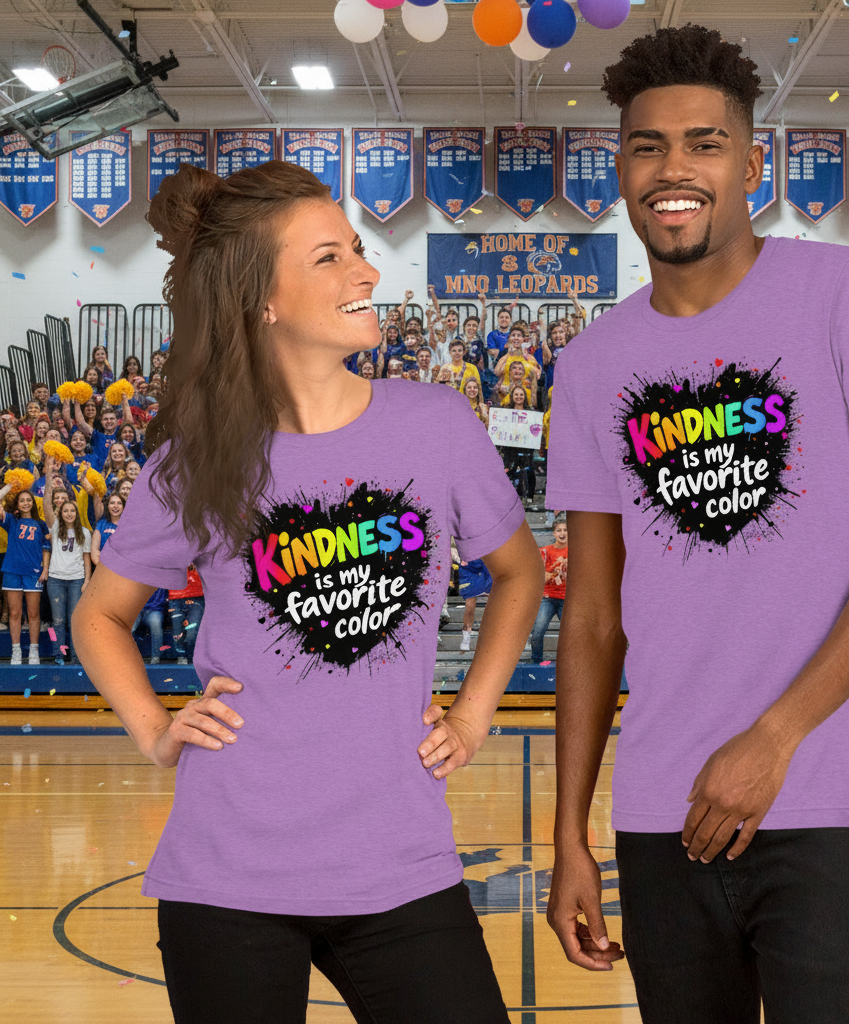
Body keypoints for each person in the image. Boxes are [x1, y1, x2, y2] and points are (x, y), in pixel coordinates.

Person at [543, 25, 849, 1024]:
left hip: (816, 797)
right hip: (660, 812)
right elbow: (594, 618)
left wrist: (773, 737)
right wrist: (566, 836)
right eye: (647, 146)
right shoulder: (592, 362)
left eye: (703, 142)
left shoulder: (846, 291)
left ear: (752, 165)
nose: (672, 168)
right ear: (620, 168)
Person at [72, 159, 542, 1024]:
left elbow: (519, 572)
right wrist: (153, 726)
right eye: (329, 258)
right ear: (263, 301)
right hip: (228, 873)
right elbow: (98, 613)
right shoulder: (198, 459)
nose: (366, 272)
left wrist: (474, 713)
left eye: (358, 251)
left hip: (399, 863)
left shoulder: (436, 425)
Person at [0, 483, 50, 665]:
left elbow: (46, 549)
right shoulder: (11, 521)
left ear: (33, 503)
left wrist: (45, 569)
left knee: (33, 613)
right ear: (17, 504)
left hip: (33, 573)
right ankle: (16, 651)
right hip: (12, 571)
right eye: (22, 500)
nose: (26, 503)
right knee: (14, 613)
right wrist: (10, 486)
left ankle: (34, 651)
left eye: (29, 500)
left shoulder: (41, 524)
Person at [45, 496, 91, 665]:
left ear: (76, 513)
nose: (69, 513)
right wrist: (49, 476)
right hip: (55, 579)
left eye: (72, 510)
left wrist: (87, 581)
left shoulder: (85, 532)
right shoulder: (55, 528)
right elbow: (47, 507)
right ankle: (59, 654)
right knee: (57, 620)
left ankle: (76, 657)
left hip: (76, 580)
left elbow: (87, 559)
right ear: (61, 513)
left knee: (75, 620)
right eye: (66, 511)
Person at [529, 517, 568, 663]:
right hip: (548, 598)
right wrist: (555, 571)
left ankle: (569, 662)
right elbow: (540, 578)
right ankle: (536, 662)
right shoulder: (544, 551)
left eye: (565, 530)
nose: (562, 533)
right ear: (553, 533)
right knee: (537, 633)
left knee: (571, 635)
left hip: (567, 599)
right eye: (559, 530)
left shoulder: (576, 552)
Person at [168, 564, 204, 664]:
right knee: (177, 635)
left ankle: (191, 661)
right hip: (175, 597)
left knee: (192, 635)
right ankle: (183, 657)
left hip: (196, 596)